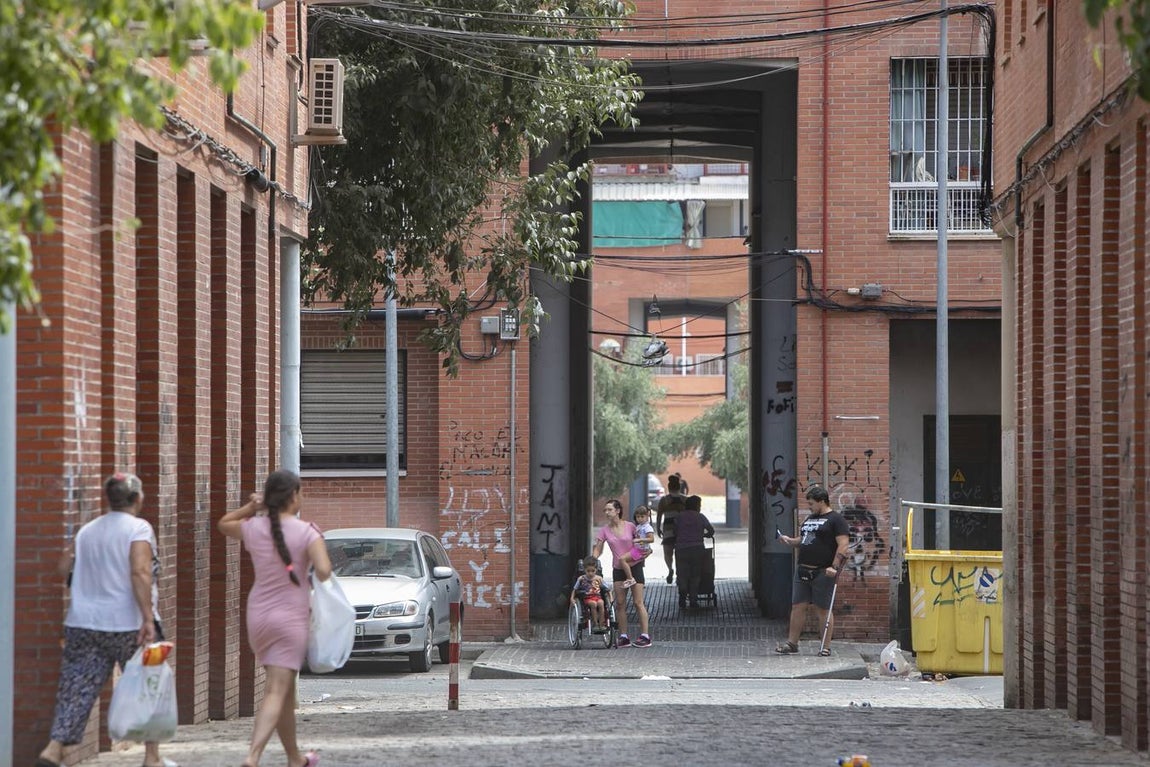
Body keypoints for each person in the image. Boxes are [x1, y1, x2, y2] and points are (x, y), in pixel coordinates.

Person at [36, 472, 177, 767]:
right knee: (147, 685)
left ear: (108, 499)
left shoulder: (88, 530)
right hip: (129, 624)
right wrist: (148, 619)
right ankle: (152, 757)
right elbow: (140, 571)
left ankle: (53, 749)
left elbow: (63, 566)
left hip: (84, 623)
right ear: (137, 498)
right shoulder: (138, 528)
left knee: (77, 686)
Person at [218, 469, 333, 767]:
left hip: (259, 615)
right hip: (290, 618)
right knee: (276, 689)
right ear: (294, 495)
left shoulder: (254, 528)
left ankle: (295, 758)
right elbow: (324, 571)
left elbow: (224, 523)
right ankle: (252, 756)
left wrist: (252, 507)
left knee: (282, 689)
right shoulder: (307, 532)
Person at [775, 485, 851, 656]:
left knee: (823, 609)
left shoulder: (835, 520)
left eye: (811, 504)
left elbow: (843, 544)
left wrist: (834, 566)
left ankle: (825, 646)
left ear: (822, 501)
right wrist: (789, 541)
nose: (809, 507)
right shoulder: (810, 519)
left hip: (823, 571)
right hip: (803, 569)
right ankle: (792, 643)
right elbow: (804, 539)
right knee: (797, 606)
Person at [592, 499, 652, 648]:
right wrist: (592, 559)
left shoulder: (631, 526)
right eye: (605, 510)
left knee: (638, 602)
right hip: (618, 569)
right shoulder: (604, 530)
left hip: (635, 567)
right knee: (619, 603)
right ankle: (623, 636)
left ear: (618, 511)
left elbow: (642, 543)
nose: (606, 512)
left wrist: (647, 552)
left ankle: (645, 636)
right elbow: (598, 548)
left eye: (609, 509)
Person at [674, 495, 715, 610]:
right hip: (697, 549)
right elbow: (711, 530)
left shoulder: (679, 517)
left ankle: (682, 591)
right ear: (697, 506)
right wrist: (704, 535)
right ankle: (693, 599)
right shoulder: (701, 517)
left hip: (681, 549)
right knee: (695, 575)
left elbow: (675, 531)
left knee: (682, 573)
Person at [655, 474, 688, 584]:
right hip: (682, 531)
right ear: (679, 487)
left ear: (669, 488)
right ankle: (679, 574)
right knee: (681, 554)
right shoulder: (685, 500)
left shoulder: (664, 500)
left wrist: (658, 528)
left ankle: (670, 569)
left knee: (667, 553)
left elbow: (659, 515)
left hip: (668, 530)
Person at [617, 505, 655, 587]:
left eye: (642, 516)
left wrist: (640, 540)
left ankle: (630, 578)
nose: (640, 519)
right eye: (638, 517)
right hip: (637, 549)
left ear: (647, 516)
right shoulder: (639, 526)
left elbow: (651, 539)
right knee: (628, 564)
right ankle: (637, 581)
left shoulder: (647, 527)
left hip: (640, 550)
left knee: (622, 559)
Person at [570, 557, 607, 630]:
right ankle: (595, 624)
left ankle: (602, 624)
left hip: (597, 596)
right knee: (593, 604)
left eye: (593, 571)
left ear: (596, 570)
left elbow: (606, 587)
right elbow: (575, 588)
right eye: (588, 571)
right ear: (584, 570)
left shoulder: (598, 578)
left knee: (601, 603)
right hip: (588, 597)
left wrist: (610, 595)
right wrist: (572, 598)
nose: (590, 573)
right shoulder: (581, 578)